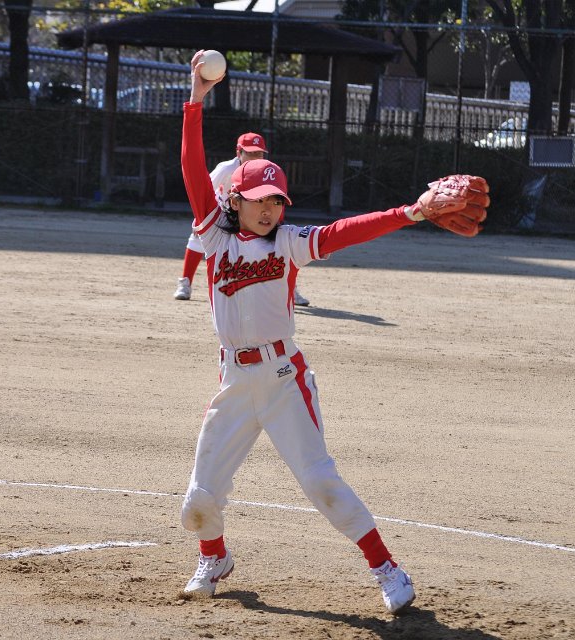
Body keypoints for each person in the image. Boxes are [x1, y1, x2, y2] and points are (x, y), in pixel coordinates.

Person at [176, 50, 467, 615]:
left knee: (320, 483)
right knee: (198, 500)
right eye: (258, 201)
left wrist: (409, 212)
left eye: (276, 201)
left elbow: (344, 232)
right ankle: (215, 557)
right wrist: (195, 102)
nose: (268, 209)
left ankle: (386, 568)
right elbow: (192, 170)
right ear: (235, 200)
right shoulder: (215, 237)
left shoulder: (288, 243)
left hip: (284, 380)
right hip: (235, 382)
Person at [173, 131, 310, 307]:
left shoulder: (266, 171)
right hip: (223, 212)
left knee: (276, 248)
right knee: (197, 239)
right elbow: (203, 190)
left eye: (259, 153)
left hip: (250, 217)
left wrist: (275, 224)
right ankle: (185, 283)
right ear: (238, 153)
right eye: (250, 152)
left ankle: (290, 289)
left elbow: (277, 199)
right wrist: (199, 218)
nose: (255, 157)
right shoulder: (226, 169)